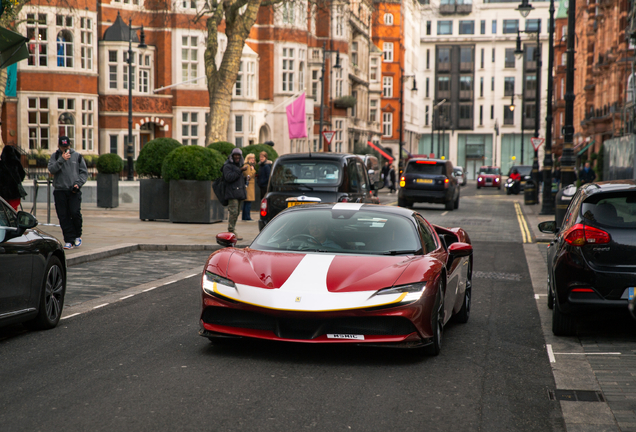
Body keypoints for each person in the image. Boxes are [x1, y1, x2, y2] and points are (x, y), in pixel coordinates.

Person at [48, 136, 88, 249]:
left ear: (70, 145)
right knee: (63, 216)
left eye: (67, 147)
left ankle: (77, 235)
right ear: (59, 146)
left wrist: (78, 183)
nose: (65, 149)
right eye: (63, 147)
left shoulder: (77, 156)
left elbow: (84, 173)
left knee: (75, 213)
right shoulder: (55, 156)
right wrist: (61, 159)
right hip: (60, 190)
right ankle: (69, 240)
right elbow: (51, 169)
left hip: (73, 191)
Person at [222, 148, 247, 240]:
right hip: (231, 193)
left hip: (239, 193)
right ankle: (231, 230)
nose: (237, 157)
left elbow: (238, 179)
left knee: (236, 213)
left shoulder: (238, 165)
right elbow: (229, 177)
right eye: (235, 155)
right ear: (232, 156)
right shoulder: (227, 165)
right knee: (233, 212)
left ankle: (232, 230)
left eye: (238, 155)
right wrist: (240, 170)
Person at [0, 145, 27, 210]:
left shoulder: (1, 164)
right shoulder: (16, 164)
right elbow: (22, 176)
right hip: (14, 194)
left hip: (2, 194)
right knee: (13, 211)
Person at [242, 153, 256, 221]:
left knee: (247, 202)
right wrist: (253, 170)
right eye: (251, 158)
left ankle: (245, 216)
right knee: (248, 202)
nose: (253, 160)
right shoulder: (247, 166)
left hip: (249, 186)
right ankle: (247, 217)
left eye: (253, 158)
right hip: (249, 186)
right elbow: (249, 175)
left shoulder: (249, 165)